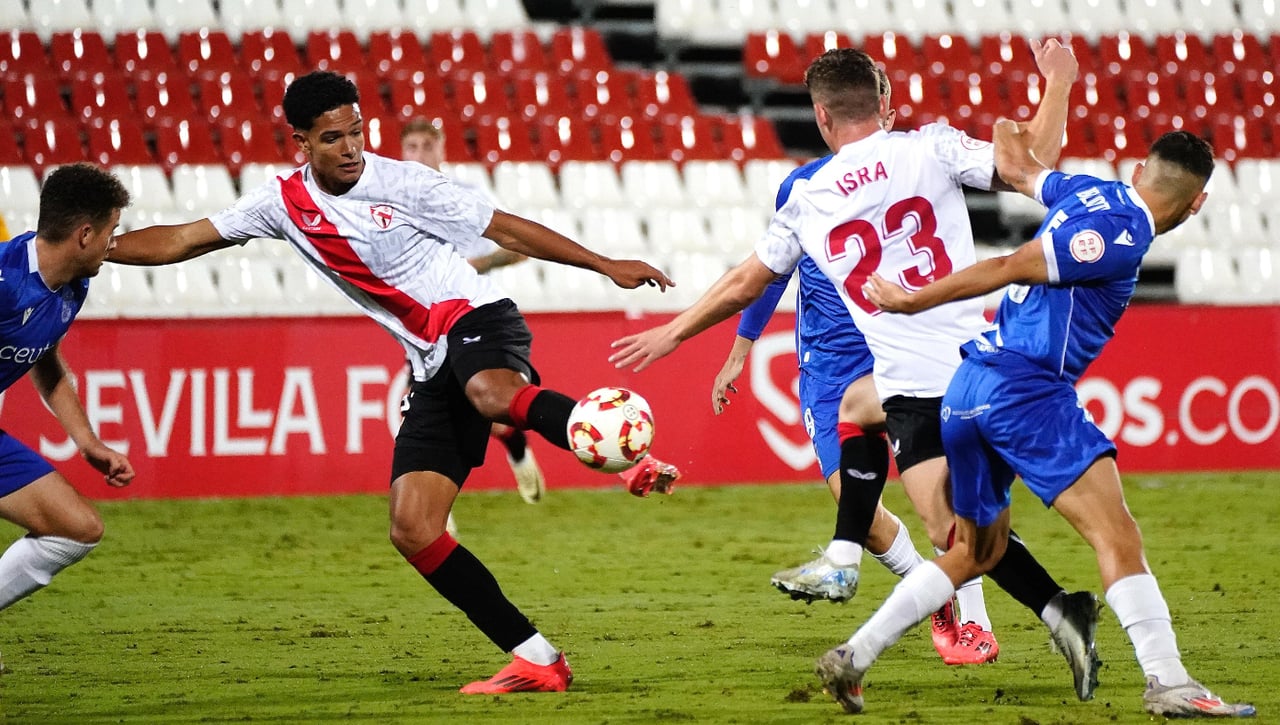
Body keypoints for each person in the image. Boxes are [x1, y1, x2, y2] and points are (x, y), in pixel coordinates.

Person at [108, 71, 678, 694]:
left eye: (357, 131)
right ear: (301, 142)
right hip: (430, 362)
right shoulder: (279, 205)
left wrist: (603, 265)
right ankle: (539, 659)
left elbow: (505, 228)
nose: (351, 147)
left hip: (478, 315)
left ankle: (621, 450)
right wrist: (97, 249)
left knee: (490, 393)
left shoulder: (406, 182)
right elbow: (185, 239)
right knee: (413, 528)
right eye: (333, 138)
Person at [616, 45, 1093, 674]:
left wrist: (674, 333)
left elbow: (744, 283)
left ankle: (855, 580)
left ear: (820, 116)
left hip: (922, 385)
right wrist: (1059, 79)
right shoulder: (933, 148)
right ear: (886, 104)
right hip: (978, 363)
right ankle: (1059, 609)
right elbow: (1037, 160)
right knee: (928, 499)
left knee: (958, 535)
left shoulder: (810, 194)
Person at [827, 127, 1255, 717]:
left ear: (1137, 171)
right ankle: (1170, 681)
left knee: (976, 551)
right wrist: (911, 299)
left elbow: (1020, 168)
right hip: (1025, 391)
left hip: (968, 386)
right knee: (1117, 536)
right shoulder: (1123, 231)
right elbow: (1013, 263)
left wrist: (1041, 94)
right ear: (1198, 202)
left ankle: (855, 655)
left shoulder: (1086, 193)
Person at [0, 163, 136, 669]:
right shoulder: (3, 281)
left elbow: (44, 358)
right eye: (110, 232)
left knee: (76, 528)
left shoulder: (71, 287)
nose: (111, 244)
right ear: (84, 234)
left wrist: (88, 441)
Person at [400, 116, 546, 509]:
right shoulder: (388, 201)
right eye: (411, 148)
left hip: (468, 319)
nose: (418, 156)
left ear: (442, 150)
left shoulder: (465, 195)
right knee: (420, 414)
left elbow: (516, 248)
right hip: (421, 327)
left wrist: (475, 265)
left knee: (489, 410)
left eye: (427, 147)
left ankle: (514, 444)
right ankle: (434, 513)